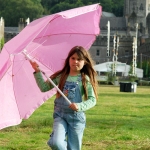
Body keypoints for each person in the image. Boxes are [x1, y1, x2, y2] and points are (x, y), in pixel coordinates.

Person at [30, 46, 98, 150]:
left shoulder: (84, 79)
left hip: (76, 118)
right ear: (68, 60)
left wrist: (80, 106)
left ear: (85, 62)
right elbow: (44, 87)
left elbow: (92, 100)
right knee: (56, 143)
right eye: (73, 58)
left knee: (74, 147)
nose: (75, 61)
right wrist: (37, 71)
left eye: (79, 59)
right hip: (60, 116)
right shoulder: (61, 76)